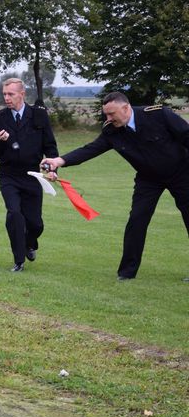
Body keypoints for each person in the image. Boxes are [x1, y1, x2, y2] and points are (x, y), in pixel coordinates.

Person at [42, 91, 189, 281]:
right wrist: (59, 161)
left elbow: (186, 135)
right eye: (106, 115)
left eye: (112, 114)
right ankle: (127, 273)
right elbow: (91, 149)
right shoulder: (112, 131)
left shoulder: (158, 115)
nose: (108, 118)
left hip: (181, 173)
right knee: (137, 220)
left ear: (126, 108)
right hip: (149, 179)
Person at [0, 78, 59, 272]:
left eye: (11, 94)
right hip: (8, 176)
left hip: (33, 176)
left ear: (22, 94)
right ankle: (19, 260)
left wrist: (52, 170)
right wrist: (0, 141)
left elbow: (50, 146)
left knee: (35, 224)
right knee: (15, 214)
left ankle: (29, 243)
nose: (7, 98)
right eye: (4, 94)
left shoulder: (39, 116)